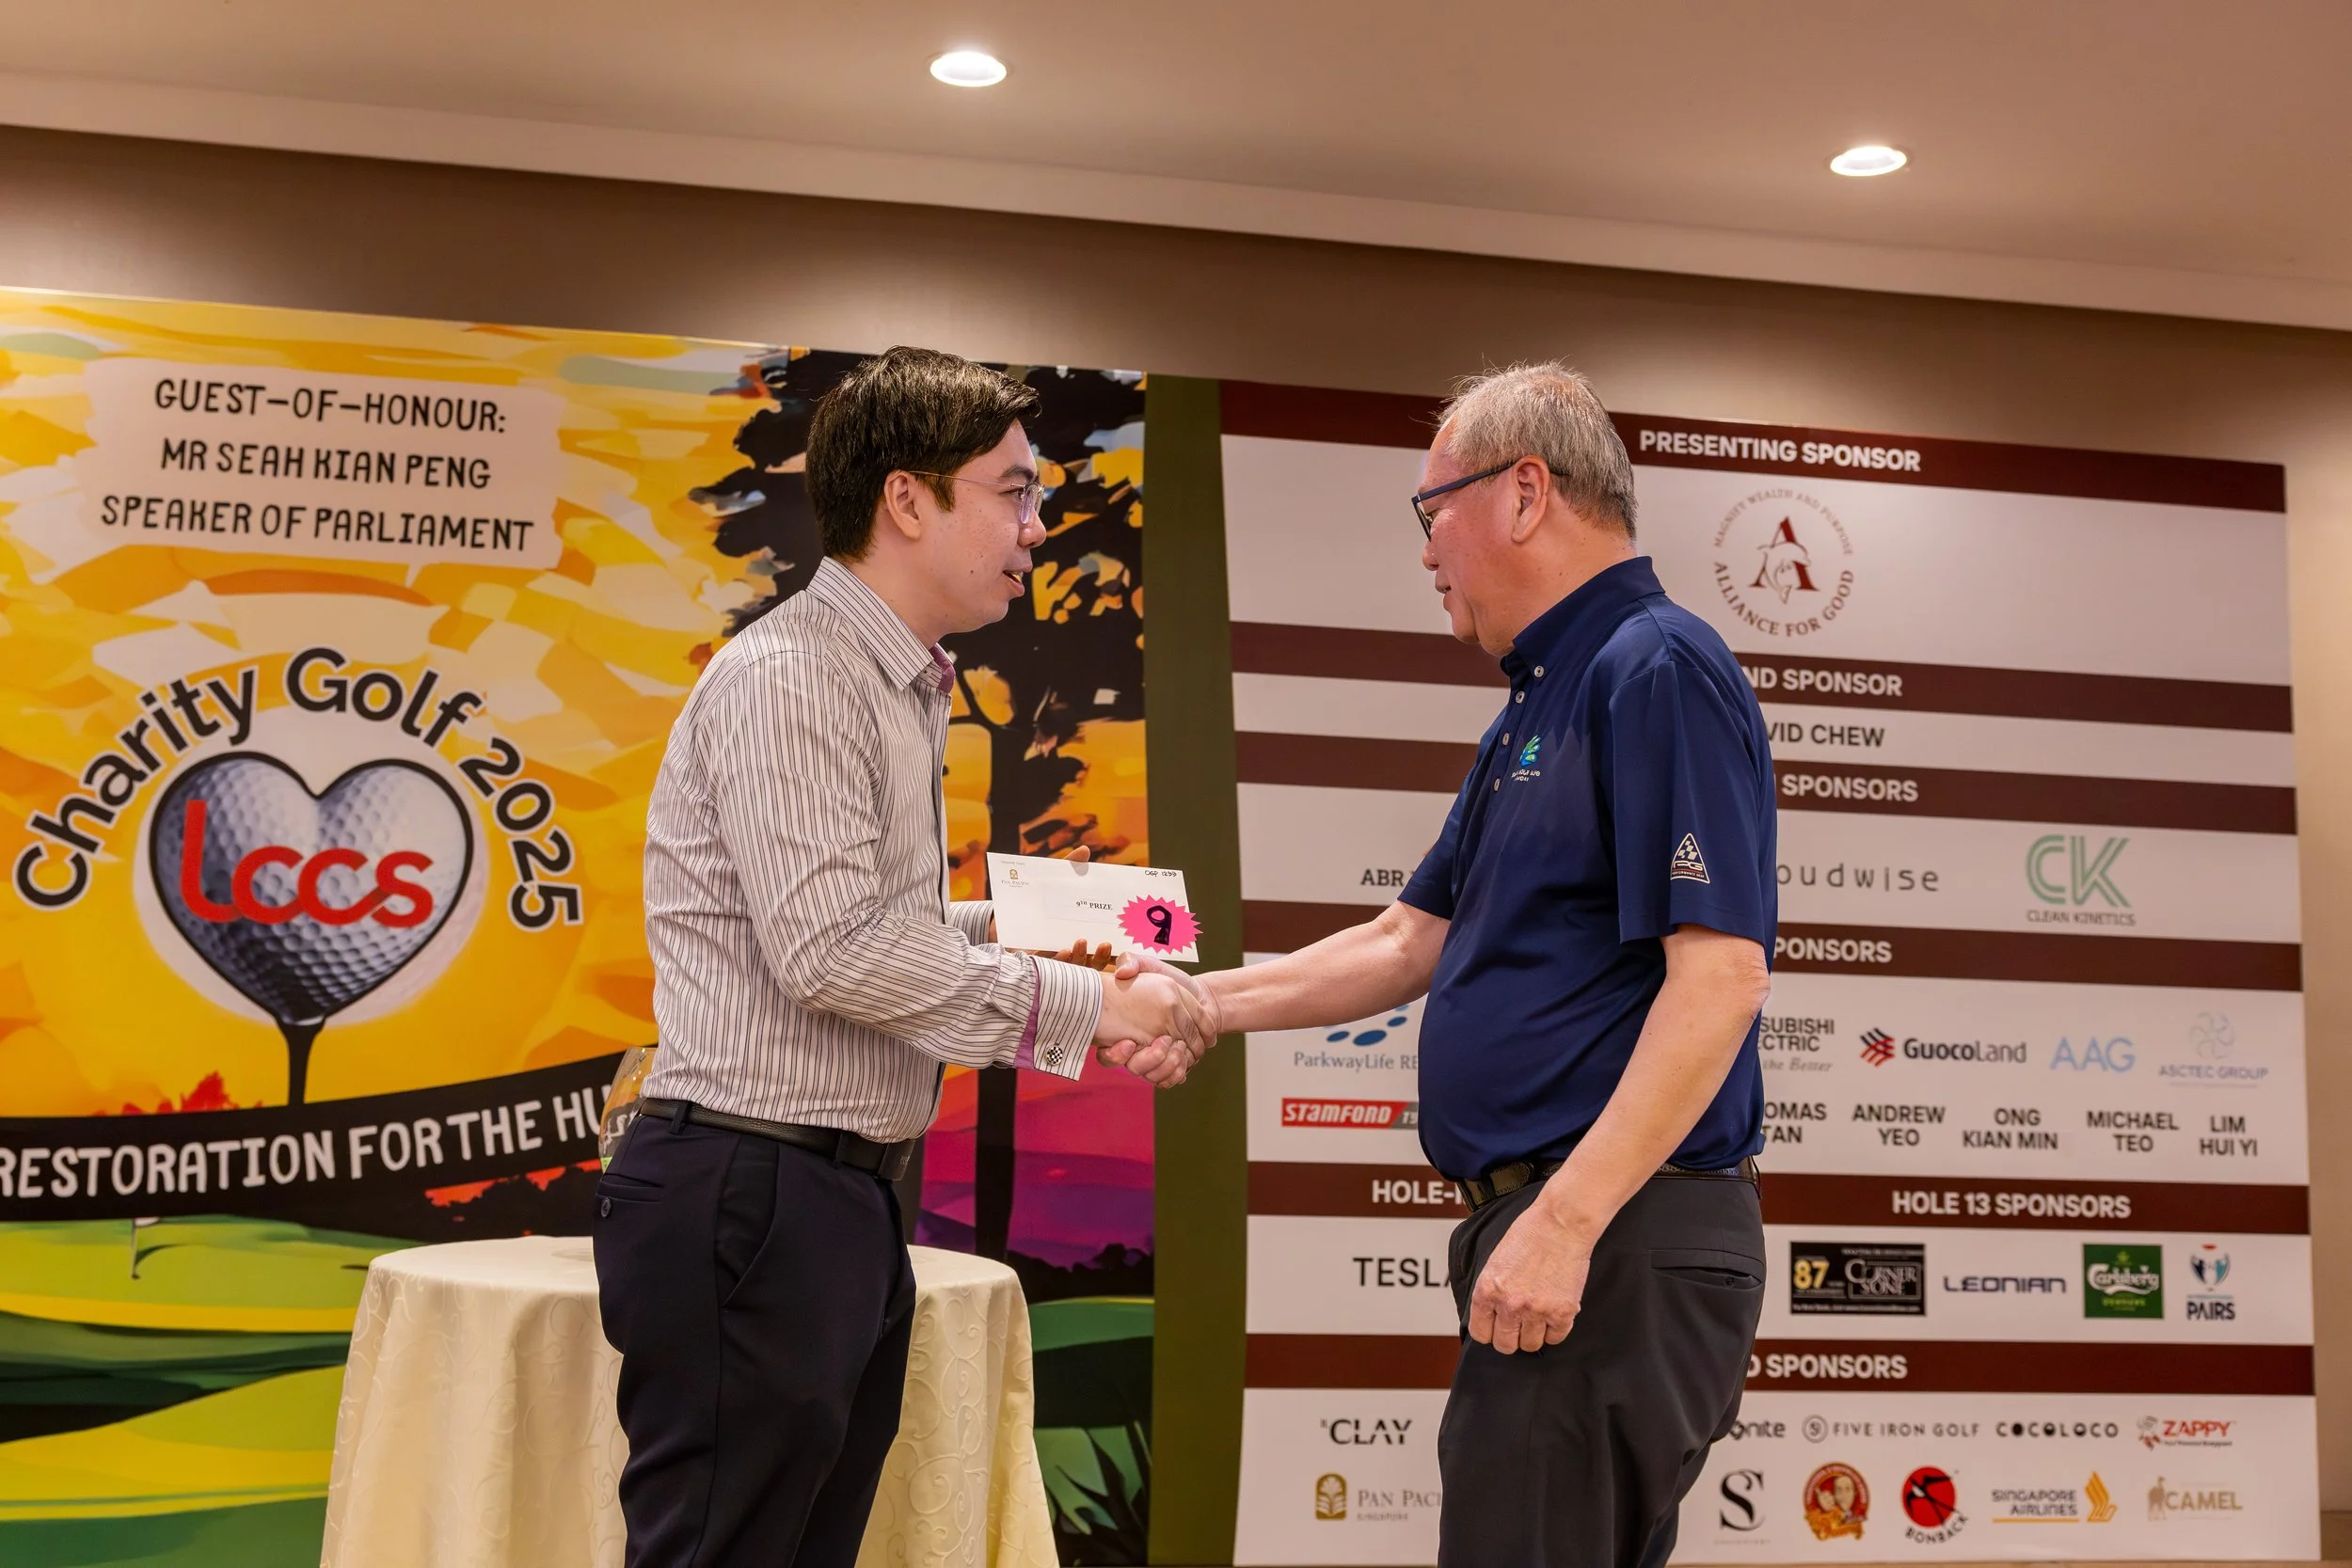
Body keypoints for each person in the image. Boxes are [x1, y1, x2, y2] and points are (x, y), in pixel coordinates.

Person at [1115, 361, 1775, 1568]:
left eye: (1434, 510)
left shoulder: (1654, 665)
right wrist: (1191, 999)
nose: (1426, 551)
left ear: (1524, 492)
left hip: (1615, 1226)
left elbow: (1721, 974)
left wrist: (1566, 1219)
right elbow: (1404, 939)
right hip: (1571, 1227)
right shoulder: (1539, 701)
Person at [596, 346, 1209, 1568]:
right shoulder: (798, 677)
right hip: (756, 1191)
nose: (1038, 525)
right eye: (1013, 490)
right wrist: (1088, 1000)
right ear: (907, 499)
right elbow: (834, 949)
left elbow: (887, 922)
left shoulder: (895, 682)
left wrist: (1080, 947)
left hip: (835, 1198)